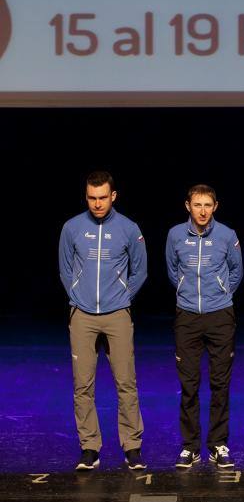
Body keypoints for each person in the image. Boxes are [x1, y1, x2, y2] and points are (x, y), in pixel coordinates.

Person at [58, 171, 148, 471]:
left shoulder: (128, 228)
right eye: (92, 198)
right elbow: (65, 269)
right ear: (87, 197)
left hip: (117, 315)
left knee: (126, 383)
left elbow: (140, 271)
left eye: (103, 198)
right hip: (82, 315)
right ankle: (89, 448)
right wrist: (77, 297)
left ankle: (132, 447)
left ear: (113, 196)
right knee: (82, 385)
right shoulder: (72, 227)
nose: (97, 204)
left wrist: (122, 298)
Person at [165, 184, 243, 468]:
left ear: (215, 206)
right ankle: (190, 446)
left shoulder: (227, 235)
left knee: (220, 384)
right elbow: (173, 272)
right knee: (189, 384)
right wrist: (188, 293)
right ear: (188, 206)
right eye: (197, 205)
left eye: (207, 205)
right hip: (187, 317)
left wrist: (220, 293)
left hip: (220, 316)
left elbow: (236, 272)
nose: (202, 210)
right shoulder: (175, 235)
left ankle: (219, 444)